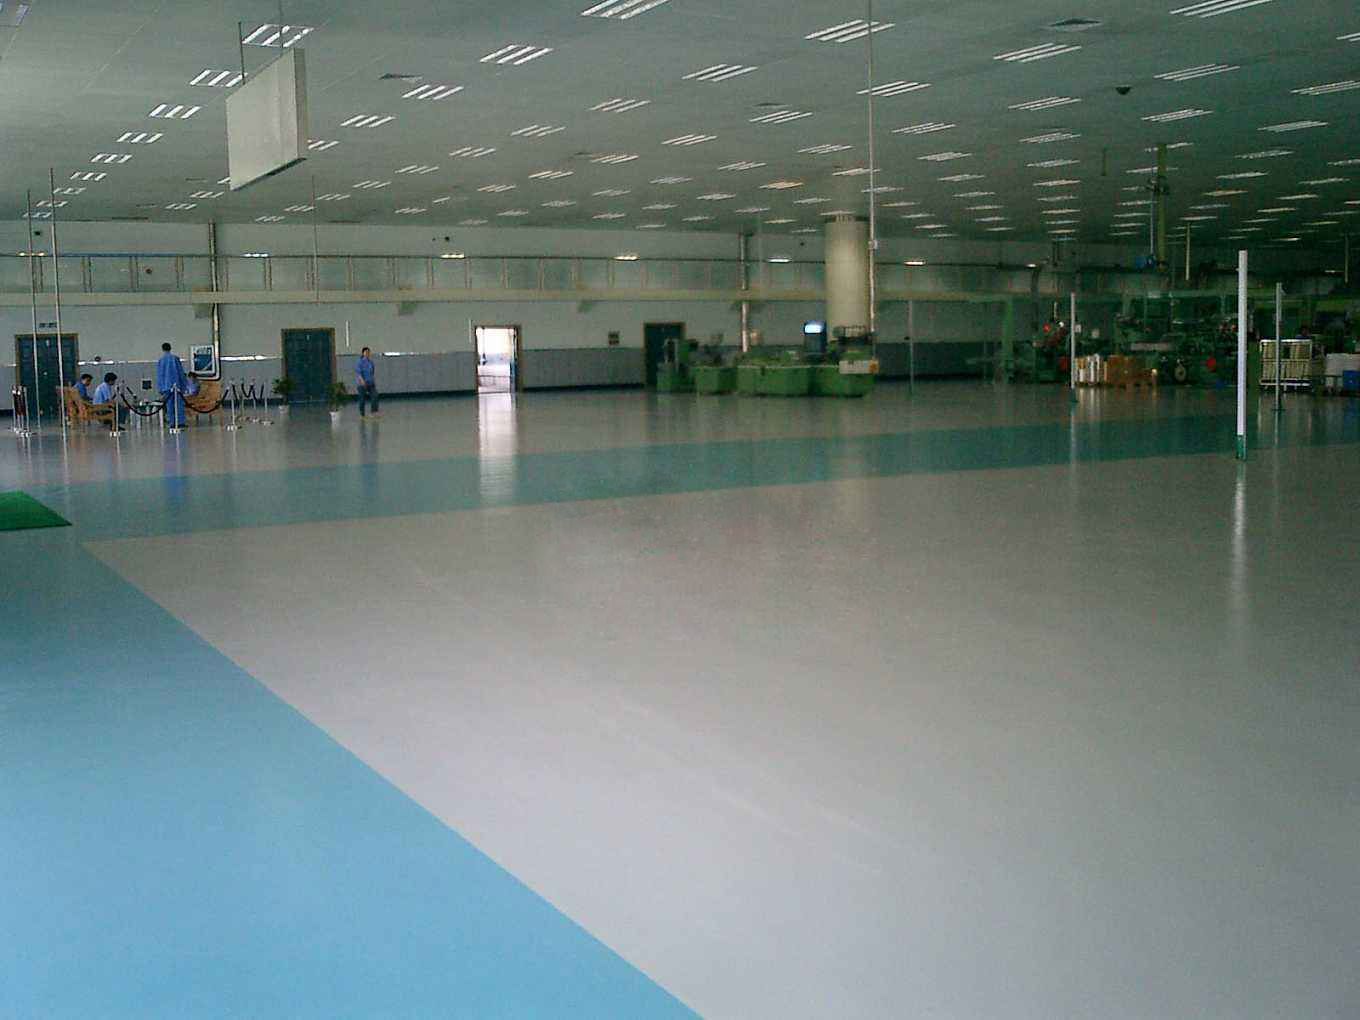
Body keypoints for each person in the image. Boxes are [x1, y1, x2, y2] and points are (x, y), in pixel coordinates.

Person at [156, 341, 188, 428]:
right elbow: (180, 373)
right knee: (179, 405)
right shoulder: (175, 359)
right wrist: (184, 385)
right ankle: (180, 422)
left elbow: (159, 375)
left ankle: (172, 422)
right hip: (177, 386)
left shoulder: (161, 361)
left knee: (169, 405)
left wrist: (160, 388)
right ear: (170, 348)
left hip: (166, 387)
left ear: (162, 349)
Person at [355, 346, 380, 419]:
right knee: (362, 399)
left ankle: (374, 412)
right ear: (363, 353)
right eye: (366, 352)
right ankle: (362, 414)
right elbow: (358, 373)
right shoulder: (359, 362)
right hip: (362, 384)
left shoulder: (371, 362)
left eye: (368, 352)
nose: (367, 354)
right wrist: (362, 381)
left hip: (370, 383)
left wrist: (373, 380)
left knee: (375, 395)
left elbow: (372, 372)